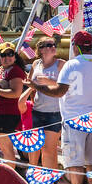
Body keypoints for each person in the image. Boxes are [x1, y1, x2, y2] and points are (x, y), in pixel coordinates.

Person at [28, 30, 92, 184]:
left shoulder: (71, 65)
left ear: (75, 46)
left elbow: (59, 92)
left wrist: (37, 87)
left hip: (74, 118)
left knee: (75, 161)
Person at [28, 37, 65, 171]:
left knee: (48, 151)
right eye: (49, 45)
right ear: (41, 49)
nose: (53, 47)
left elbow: (68, 86)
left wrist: (49, 81)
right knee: (45, 150)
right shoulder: (35, 64)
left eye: (54, 45)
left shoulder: (61, 64)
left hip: (54, 112)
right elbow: (30, 84)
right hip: (37, 111)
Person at [0, 44, 27, 167]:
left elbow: (16, 93)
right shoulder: (0, 70)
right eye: (3, 55)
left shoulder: (15, 70)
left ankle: (10, 179)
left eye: (10, 54)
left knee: (6, 149)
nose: (7, 57)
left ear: (15, 57)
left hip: (7, 114)